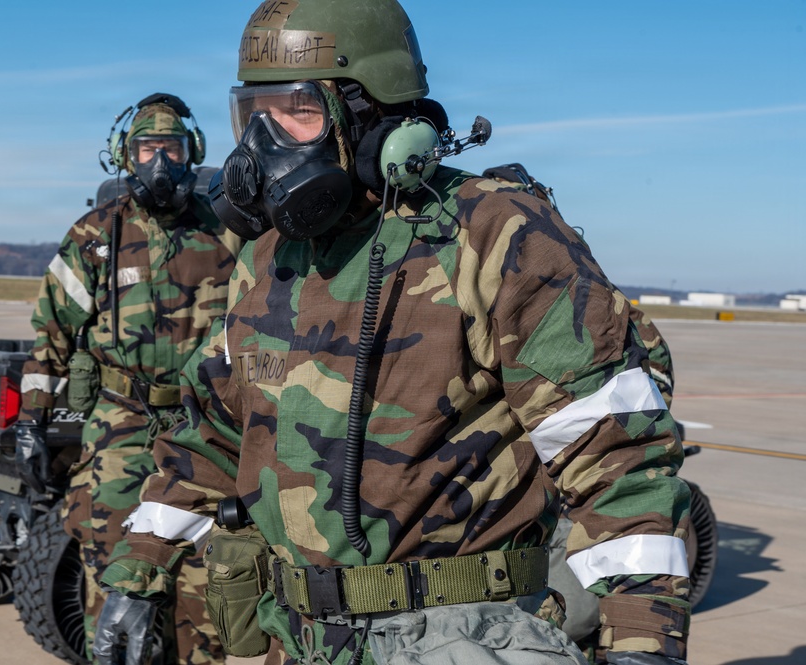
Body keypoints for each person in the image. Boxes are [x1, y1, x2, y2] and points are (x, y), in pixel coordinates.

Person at [95, 4, 691, 665]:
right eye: (252, 113)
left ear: (373, 116)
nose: (264, 140)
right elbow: (208, 437)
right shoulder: (265, 260)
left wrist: (642, 638)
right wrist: (138, 571)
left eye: (297, 108)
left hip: (459, 636)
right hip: (301, 640)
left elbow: (616, 455)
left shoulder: (494, 234)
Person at [14, 93, 241, 664]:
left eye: (172, 148)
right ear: (125, 156)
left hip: (203, 426)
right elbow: (51, 337)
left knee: (202, 573)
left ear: (194, 154)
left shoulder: (230, 233)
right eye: (147, 148)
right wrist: (31, 420)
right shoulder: (96, 234)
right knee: (111, 564)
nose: (159, 161)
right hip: (121, 424)